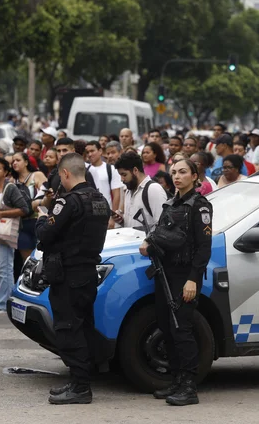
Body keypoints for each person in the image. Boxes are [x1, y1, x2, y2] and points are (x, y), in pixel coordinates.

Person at [35, 153, 111, 404]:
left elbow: (46, 235)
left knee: (69, 329)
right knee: (83, 327)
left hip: (68, 274)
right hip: (87, 272)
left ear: (65, 174)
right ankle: (80, 380)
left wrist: (42, 217)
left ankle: (80, 387)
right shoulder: (100, 199)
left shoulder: (68, 202)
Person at [140, 158, 213, 406]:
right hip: (165, 273)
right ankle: (177, 379)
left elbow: (204, 249)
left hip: (185, 275)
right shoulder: (171, 203)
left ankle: (189, 386)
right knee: (167, 326)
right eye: (174, 172)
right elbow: (161, 232)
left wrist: (193, 279)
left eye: (183, 172)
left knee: (182, 329)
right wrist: (150, 243)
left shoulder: (200, 206)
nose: (177, 176)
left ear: (194, 175)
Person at [0, 157, 30, 314]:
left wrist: (2, 213)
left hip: (4, 233)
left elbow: (24, 209)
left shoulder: (10, 188)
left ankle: (6, 304)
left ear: (6, 172)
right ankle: (5, 299)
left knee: (5, 268)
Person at [112, 152, 168, 231]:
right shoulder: (128, 190)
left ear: (135, 170)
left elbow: (162, 225)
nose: (122, 179)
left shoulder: (153, 189)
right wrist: (121, 221)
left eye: (124, 175)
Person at [12, 152, 47, 262]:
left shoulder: (37, 175)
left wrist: (36, 203)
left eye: (18, 160)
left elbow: (49, 194)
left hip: (38, 220)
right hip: (21, 223)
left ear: (26, 162)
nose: (14, 163)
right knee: (27, 261)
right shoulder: (12, 181)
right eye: (13, 161)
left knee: (41, 257)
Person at [85, 140, 122, 214]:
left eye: (92, 151)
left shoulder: (111, 169)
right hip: (90, 213)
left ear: (100, 151)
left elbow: (116, 194)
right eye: (87, 152)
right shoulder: (85, 170)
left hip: (107, 212)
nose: (90, 154)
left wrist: (113, 216)